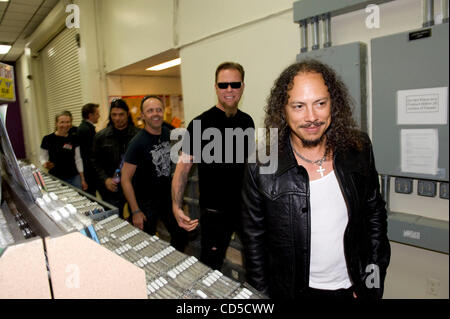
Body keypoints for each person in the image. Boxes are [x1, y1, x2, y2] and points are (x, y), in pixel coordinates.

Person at [241, 59, 391, 300]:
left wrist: (372, 281)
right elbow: (254, 247)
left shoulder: (359, 148)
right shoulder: (260, 167)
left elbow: (374, 215)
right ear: (283, 110)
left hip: (353, 288)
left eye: (320, 103)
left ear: (334, 104)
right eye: (299, 106)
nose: (312, 117)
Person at [172, 62, 255, 269]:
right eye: (223, 84)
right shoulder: (200, 124)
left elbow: (250, 167)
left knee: (255, 266)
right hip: (214, 213)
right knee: (211, 267)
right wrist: (175, 205)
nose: (229, 90)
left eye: (234, 84)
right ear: (216, 87)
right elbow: (182, 169)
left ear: (242, 87)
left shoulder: (247, 122)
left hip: (245, 210)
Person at [121, 95, 188, 251]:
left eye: (158, 110)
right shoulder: (137, 143)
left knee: (181, 235)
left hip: (167, 198)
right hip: (145, 203)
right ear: (143, 116)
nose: (155, 114)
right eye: (150, 111)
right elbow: (125, 179)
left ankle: (173, 268)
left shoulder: (170, 134)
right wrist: (135, 211)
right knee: (146, 245)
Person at [92, 99, 140, 219]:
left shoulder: (138, 135)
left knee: (138, 220)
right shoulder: (100, 137)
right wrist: (105, 179)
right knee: (115, 220)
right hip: (111, 187)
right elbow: (94, 161)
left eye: (121, 114)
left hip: (135, 186)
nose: (117, 118)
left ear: (127, 114)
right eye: (114, 114)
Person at [40, 111, 87, 190]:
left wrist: (82, 179)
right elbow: (42, 157)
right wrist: (45, 163)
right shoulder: (47, 139)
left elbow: (78, 159)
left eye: (68, 122)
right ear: (56, 123)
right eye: (62, 122)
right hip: (55, 178)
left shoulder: (74, 138)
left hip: (74, 177)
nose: (65, 125)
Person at [77, 103, 100, 196]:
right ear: (90, 115)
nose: (99, 116)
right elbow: (89, 153)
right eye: (97, 113)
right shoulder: (86, 129)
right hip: (89, 171)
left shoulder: (86, 127)